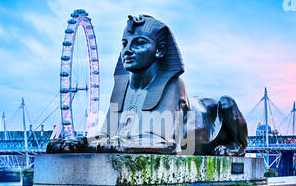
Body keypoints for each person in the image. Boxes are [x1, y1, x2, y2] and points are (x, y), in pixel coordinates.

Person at [47, 15, 248, 156]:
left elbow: (166, 143)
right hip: (140, 137)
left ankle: (237, 144)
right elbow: (108, 135)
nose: (127, 50)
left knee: (227, 103)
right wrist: (81, 143)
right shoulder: (122, 88)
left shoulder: (173, 85)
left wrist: (117, 143)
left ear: (160, 50)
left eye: (139, 43)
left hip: (208, 131)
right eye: (125, 43)